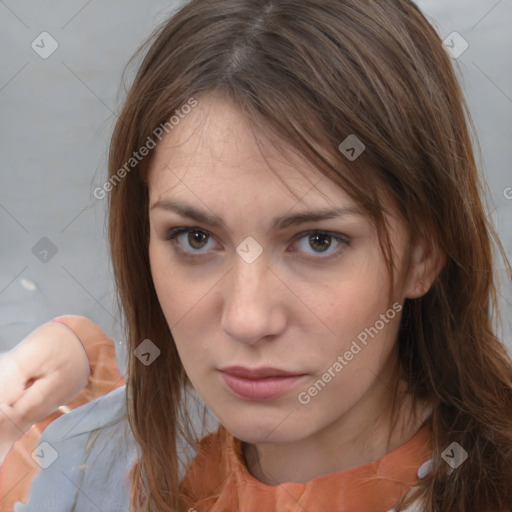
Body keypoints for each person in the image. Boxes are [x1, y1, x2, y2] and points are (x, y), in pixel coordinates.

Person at [2, 0, 512, 510]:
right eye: (195, 238)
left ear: (424, 253)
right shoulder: (89, 474)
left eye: (318, 241)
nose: (247, 320)